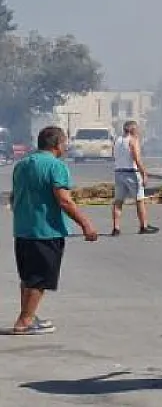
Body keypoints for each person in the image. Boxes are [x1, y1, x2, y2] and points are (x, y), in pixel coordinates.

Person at [9, 126, 99, 335]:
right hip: (46, 230)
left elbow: (14, 197)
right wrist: (86, 224)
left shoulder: (22, 165)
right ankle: (24, 321)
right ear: (57, 144)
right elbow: (64, 201)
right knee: (39, 278)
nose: (66, 146)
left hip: (23, 229)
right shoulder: (56, 166)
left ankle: (27, 314)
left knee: (29, 277)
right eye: (65, 142)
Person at [111, 120, 158, 236]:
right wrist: (144, 174)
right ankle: (143, 226)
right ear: (132, 130)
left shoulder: (117, 140)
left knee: (118, 202)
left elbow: (114, 156)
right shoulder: (133, 141)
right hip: (131, 173)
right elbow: (137, 159)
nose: (138, 131)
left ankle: (116, 228)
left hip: (118, 172)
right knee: (139, 201)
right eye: (137, 129)